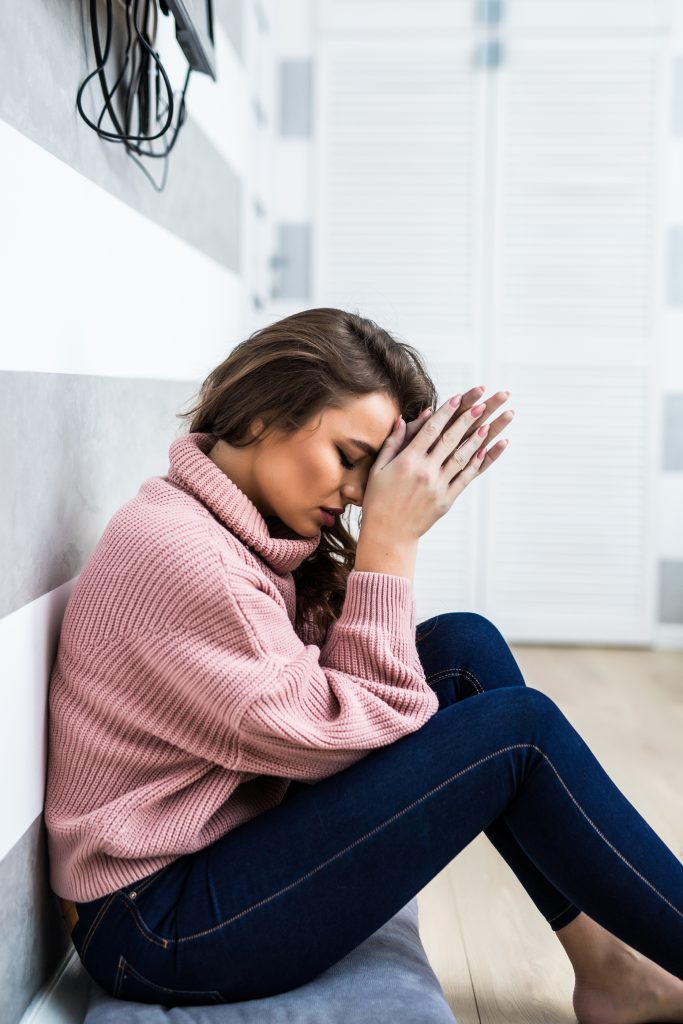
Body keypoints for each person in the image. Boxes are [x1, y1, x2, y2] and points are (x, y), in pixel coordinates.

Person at [44, 307, 683, 1022]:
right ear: (264, 412)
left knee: (462, 648)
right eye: (349, 457)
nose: (354, 492)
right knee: (518, 731)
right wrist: (389, 541)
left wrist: (387, 528)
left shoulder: (237, 530)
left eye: (368, 471)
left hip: (211, 855)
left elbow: (345, 697)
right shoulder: (188, 558)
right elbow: (344, 733)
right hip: (157, 925)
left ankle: (610, 971)